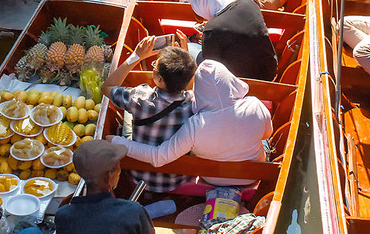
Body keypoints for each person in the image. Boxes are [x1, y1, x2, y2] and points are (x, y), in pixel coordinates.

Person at [111, 59, 273, 185]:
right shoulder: (255, 105)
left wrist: (116, 141)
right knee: (263, 139)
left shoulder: (194, 125)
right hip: (251, 176)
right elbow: (268, 133)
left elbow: (159, 156)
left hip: (212, 178)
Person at [101, 34, 196, 194]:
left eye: (154, 67)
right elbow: (190, 87)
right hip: (177, 179)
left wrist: (136, 56)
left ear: (160, 79)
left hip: (138, 176)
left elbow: (107, 87)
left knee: (126, 119)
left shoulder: (139, 98)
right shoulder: (194, 103)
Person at [183, 0, 278, 81]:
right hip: (269, 72)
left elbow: (209, 68)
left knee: (190, 48)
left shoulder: (212, 29)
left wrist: (188, 48)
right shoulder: (249, 4)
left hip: (242, 83)